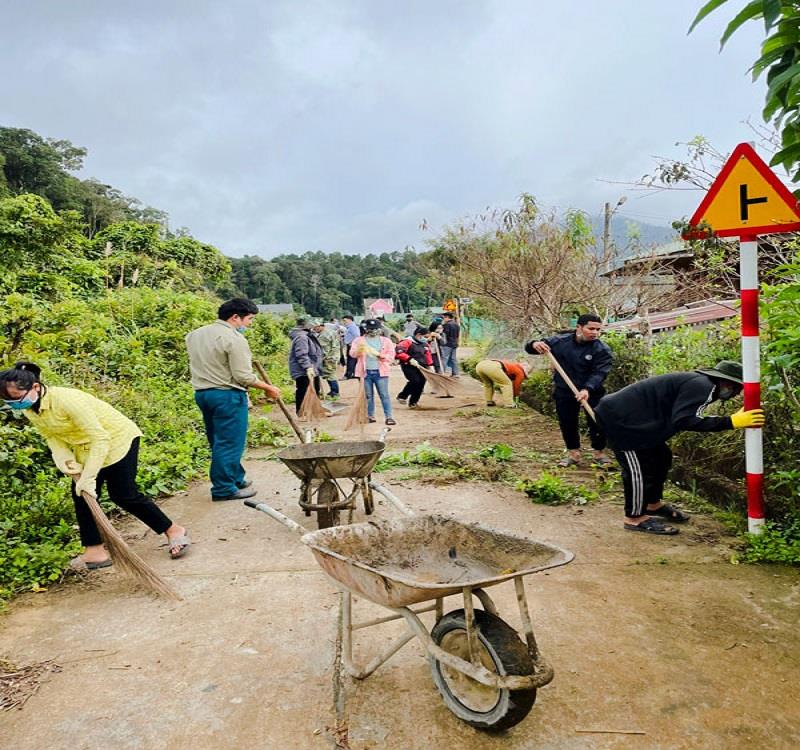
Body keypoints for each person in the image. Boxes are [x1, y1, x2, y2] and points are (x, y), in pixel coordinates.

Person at [0, 362, 190, 568]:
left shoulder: (66, 400)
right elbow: (50, 435)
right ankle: (94, 551)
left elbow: (101, 438)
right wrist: (63, 458)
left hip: (116, 440)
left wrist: (89, 477)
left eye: (17, 398)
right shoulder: (31, 409)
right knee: (82, 495)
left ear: (35, 387)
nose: (15, 404)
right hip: (85, 446)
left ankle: (173, 530)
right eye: (9, 401)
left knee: (123, 495)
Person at [595, 360, 765, 536]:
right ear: (727, 383)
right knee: (638, 469)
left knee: (661, 457)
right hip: (620, 420)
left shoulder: (701, 384)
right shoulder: (702, 386)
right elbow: (684, 420)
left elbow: (683, 414)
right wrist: (730, 422)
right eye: (737, 389)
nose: (736, 394)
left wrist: (730, 420)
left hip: (638, 420)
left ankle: (653, 504)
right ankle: (635, 518)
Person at [186, 298, 281, 501]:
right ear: (235, 317)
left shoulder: (195, 335)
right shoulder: (234, 339)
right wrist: (268, 388)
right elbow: (243, 376)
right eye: (249, 319)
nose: (250, 323)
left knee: (219, 439)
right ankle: (224, 489)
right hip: (227, 395)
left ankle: (236, 477)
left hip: (203, 394)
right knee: (229, 442)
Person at [525, 313, 613, 467]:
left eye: (598, 329)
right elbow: (531, 348)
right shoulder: (559, 342)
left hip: (591, 391)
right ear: (579, 327)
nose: (595, 333)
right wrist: (534, 344)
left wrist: (587, 389)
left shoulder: (602, 349)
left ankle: (599, 453)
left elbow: (599, 373)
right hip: (565, 389)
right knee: (567, 421)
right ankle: (574, 454)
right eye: (591, 328)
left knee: (596, 421)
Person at [350, 319, 397, 425]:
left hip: (381, 372)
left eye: (375, 329)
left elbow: (391, 356)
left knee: (384, 395)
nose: (373, 331)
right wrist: (359, 351)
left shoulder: (386, 341)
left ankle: (389, 417)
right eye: (370, 329)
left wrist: (381, 356)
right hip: (365, 372)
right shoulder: (359, 340)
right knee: (368, 396)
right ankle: (370, 416)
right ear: (366, 329)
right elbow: (352, 354)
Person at [288, 318, 324, 414]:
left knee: (315, 390)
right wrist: (308, 367)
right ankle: (302, 412)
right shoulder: (302, 337)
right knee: (303, 390)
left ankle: (314, 411)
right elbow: (301, 354)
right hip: (303, 370)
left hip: (312, 368)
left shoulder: (306, 335)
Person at [395, 327, 433, 409]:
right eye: (425, 337)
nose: (426, 339)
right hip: (408, 365)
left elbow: (427, 354)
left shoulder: (425, 344)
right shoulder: (407, 342)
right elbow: (399, 353)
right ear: (419, 335)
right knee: (415, 381)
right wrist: (409, 359)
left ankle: (413, 402)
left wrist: (429, 365)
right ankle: (402, 396)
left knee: (421, 383)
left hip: (422, 366)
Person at [318, 322, 342, 399]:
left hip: (329, 358)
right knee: (331, 373)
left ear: (321, 326)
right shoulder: (331, 331)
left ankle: (335, 392)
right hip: (335, 356)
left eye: (316, 327)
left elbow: (324, 350)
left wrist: (320, 359)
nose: (314, 329)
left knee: (330, 375)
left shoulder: (323, 336)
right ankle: (334, 391)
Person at [440, 312, 461, 376]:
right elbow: (457, 335)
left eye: (444, 318)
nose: (443, 319)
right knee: (453, 359)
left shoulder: (446, 325)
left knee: (444, 358)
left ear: (447, 317)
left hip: (447, 344)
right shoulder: (456, 324)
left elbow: (445, 335)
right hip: (454, 343)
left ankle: (442, 373)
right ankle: (456, 373)